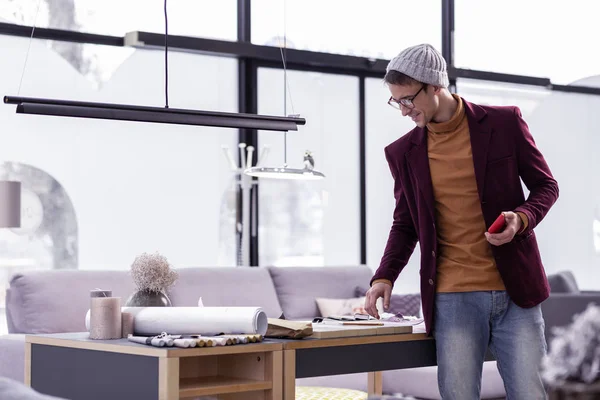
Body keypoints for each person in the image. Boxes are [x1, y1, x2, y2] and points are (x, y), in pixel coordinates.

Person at [364, 44, 559, 400]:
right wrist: (384, 276)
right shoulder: (402, 152)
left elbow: (546, 186)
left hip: (517, 291)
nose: (404, 111)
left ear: (436, 86)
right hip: (453, 298)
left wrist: (522, 218)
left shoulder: (504, 123)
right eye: (397, 102)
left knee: (533, 394)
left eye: (408, 100)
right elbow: (405, 223)